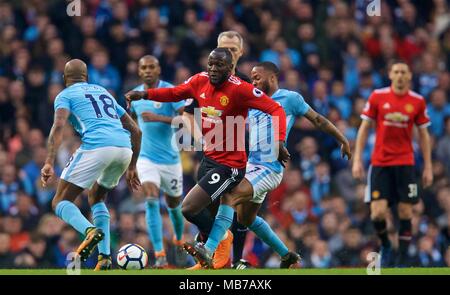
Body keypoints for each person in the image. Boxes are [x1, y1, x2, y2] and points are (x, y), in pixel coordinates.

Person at [125, 47, 289, 268]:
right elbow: (175, 93)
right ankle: (216, 259)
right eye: (210, 64)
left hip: (230, 166)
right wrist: (144, 94)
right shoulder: (199, 80)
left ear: (230, 69)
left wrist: (278, 142)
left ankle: (221, 240)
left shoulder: (241, 89)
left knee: (189, 208)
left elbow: (276, 109)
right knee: (206, 217)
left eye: (219, 65)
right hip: (209, 160)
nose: (212, 69)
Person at [185, 61, 352, 269]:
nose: (253, 81)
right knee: (246, 218)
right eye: (252, 77)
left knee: (230, 195)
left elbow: (317, 120)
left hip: (269, 168)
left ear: (272, 78)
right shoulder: (252, 101)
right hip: (251, 166)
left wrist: (342, 139)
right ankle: (287, 255)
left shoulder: (290, 98)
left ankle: (209, 250)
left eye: (257, 77)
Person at [40, 59, 142, 270]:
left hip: (97, 146)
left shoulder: (65, 95)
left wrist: (49, 161)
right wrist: (132, 166)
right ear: (86, 77)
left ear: (65, 79)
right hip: (124, 148)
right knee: (96, 196)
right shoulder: (104, 92)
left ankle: (89, 230)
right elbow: (136, 131)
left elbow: (58, 126)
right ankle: (104, 257)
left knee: (59, 201)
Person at [183, 30, 253, 269]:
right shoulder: (204, 79)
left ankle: (233, 257)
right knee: (208, 209)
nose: (229, 53)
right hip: (211, 155)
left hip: (240, 156)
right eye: (225, 48)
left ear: (240, 53)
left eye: (233, 50)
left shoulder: (246, 83)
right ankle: (216, 253)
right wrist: (201, 140)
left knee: (238, 208)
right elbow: (186, 114)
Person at [352, 61, 433, 267]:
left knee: (406, 212)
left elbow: (423, 134)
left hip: (405, 163)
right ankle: (386, 243)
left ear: (409, 76)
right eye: (395, 71)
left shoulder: (417, 101)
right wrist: (357, 159)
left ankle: (403, 258)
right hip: (380, 163)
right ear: (390, 75)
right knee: (377, 212)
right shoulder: (377, 96)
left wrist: (428, 166)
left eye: (403, 72)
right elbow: (364, 128)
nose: (399, 75)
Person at [129, 55, 186, 268]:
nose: (147, 71)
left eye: (151, 67)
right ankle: (160, 253)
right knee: (151, 197)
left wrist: (160, 118)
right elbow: (131, 129)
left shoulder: (171, 92)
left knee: (174, 206)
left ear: (159, 69)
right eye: (143, 67)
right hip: (146, 158)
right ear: (139, 70)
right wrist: (131, 163)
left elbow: (186, 121)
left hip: (171, 160)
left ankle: (179, 240)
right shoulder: (134, 96)